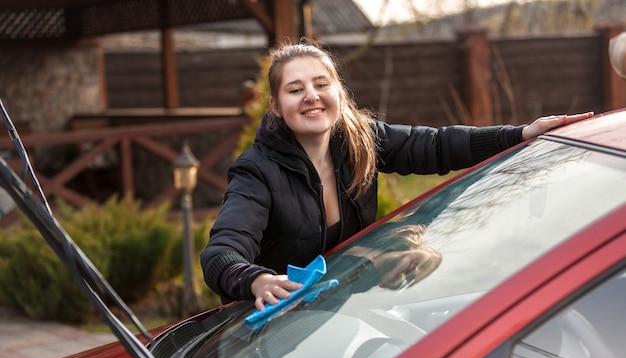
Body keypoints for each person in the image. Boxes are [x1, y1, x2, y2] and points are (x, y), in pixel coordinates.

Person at [200, 38, 593, 311]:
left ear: (338, 91)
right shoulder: (257, 170)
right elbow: (221, 254)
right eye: (295, 89)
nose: (311, 96)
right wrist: (257, 281)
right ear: (275, 104)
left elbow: (437, 146)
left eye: (322, 84)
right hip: (271, 333)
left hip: (335, 310)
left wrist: (520, 134)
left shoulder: (360, 139)